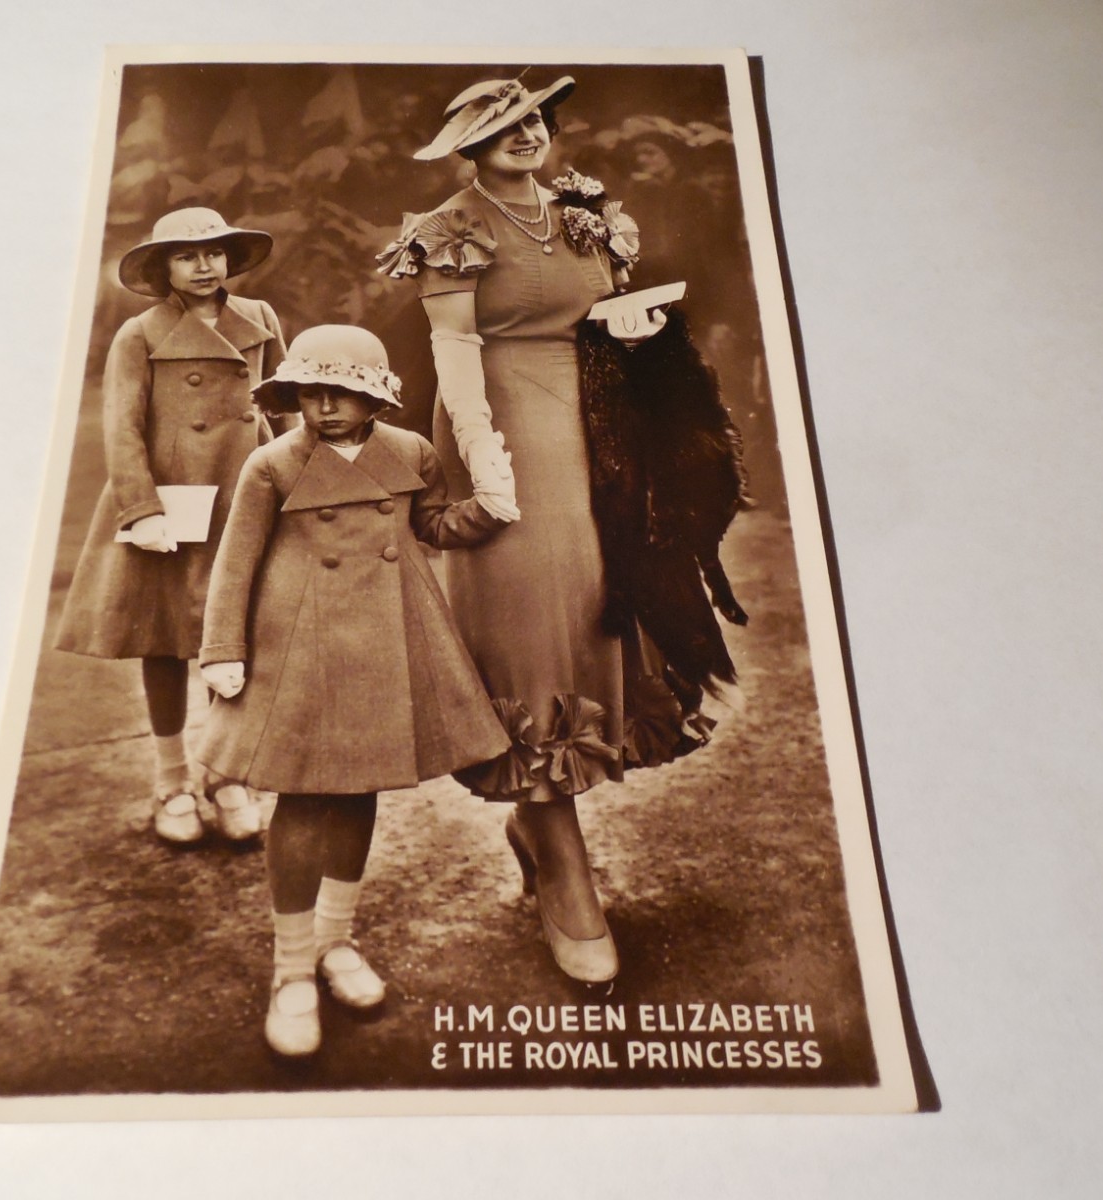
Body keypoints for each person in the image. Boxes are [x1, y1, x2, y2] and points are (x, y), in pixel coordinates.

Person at [378, 76, 724, 986]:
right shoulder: (451, 225)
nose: (526, 134)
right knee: (534, 617)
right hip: (505, 423)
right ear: (468, 144)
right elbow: (454, 351)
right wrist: (485, 465)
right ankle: (558, 848)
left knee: (605, 603)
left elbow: (600, 318)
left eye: (534, 118)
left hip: (598, 423)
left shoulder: (583, 210)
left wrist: (642, 346)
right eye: (502, 125)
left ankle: (538, 824)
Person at [197, 324, 509, 1057]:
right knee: (304, 799)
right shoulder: (273, 465)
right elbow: (235, 564)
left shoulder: (409, 453)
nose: (327, 406)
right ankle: (291, 970)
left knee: (359, 790)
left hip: (386, 637)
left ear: (376, 397)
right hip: (299, 646)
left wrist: (484, 509)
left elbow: (429, 524)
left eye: (343, 392)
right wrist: (222, 650)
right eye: (312, 391)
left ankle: (335, 940)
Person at [55, 207, 284, 846]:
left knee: (231, 635)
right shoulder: (140, 333)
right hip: (175, 499)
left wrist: (301, 478)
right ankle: (172, 777)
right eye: (187, 255)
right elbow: (122, 427)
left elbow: (282, 403)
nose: (204, 264)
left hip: (244, 492)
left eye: (213, 251)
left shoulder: (260, 320)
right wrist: (141, 507)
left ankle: (225, 774)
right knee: (165, 638)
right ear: (165, 268)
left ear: (229, 257)